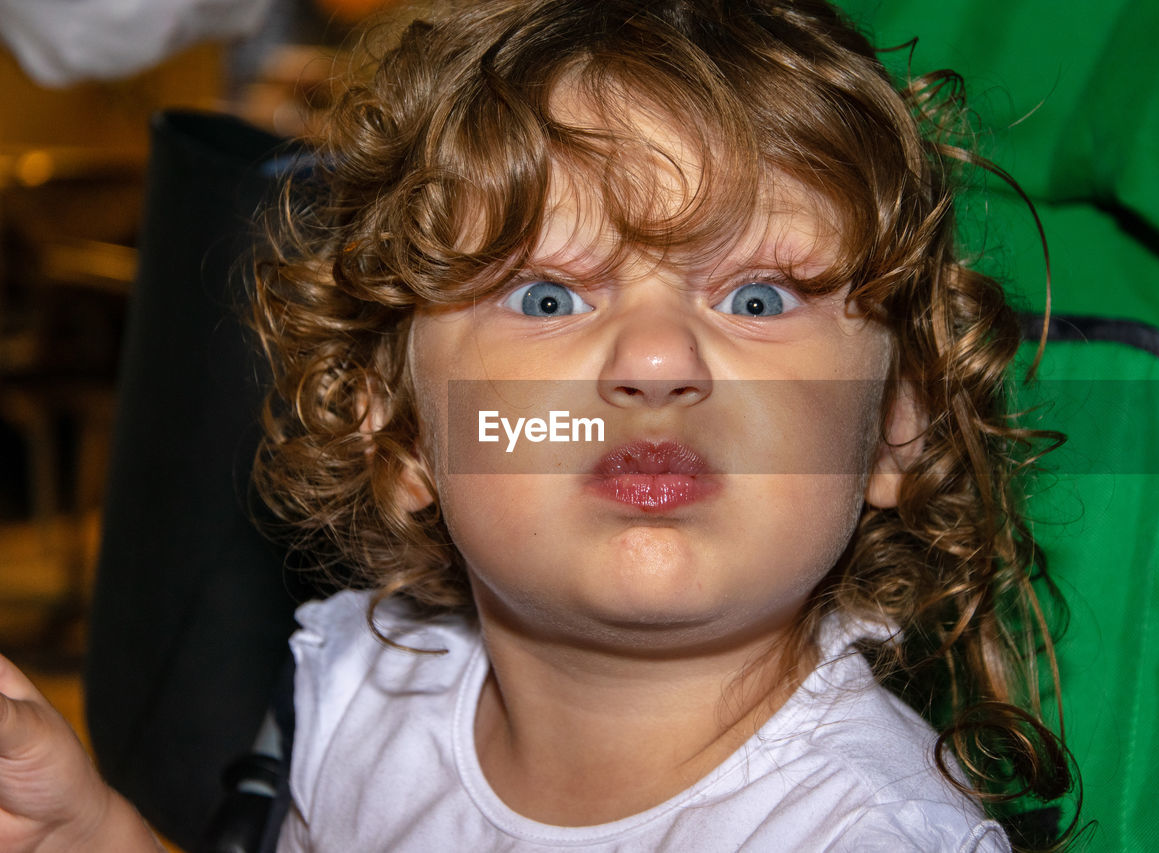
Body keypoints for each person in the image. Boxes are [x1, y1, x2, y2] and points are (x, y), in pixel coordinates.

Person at [0, 0, 1074, 849]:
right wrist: (89, 834)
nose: (655, 362)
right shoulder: (371, 694)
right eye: (547, 297)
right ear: (407, 434)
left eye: (756, 300)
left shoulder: (861, 834)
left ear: (894, 427)